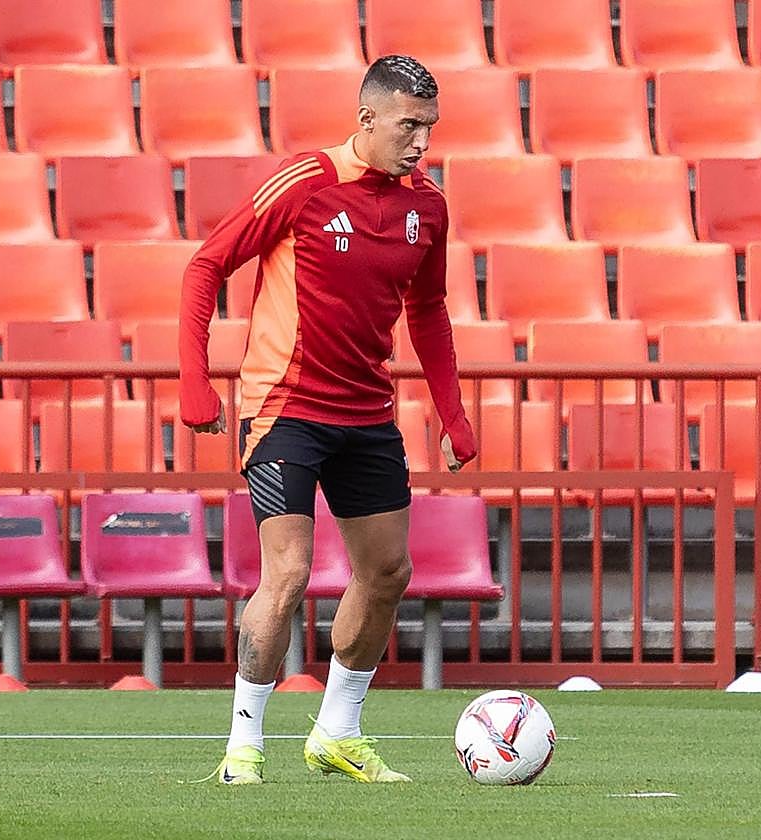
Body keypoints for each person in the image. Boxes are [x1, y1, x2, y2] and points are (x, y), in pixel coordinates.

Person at [180, 55, 476, 785]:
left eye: (430, 128)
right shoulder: (306, 181)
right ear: (367, 118)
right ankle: (243, 749)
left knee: (387, 573)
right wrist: (195, 382)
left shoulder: (428, 207)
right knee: (287, 573)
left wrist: (452, 413)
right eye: (409, 125)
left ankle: (337, 734)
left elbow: (428, 309)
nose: (420, 143)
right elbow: (206, 265)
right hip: (286, 408)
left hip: (367, 412)